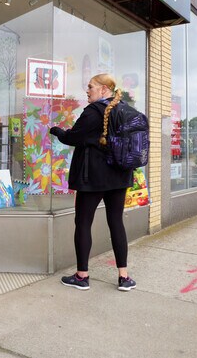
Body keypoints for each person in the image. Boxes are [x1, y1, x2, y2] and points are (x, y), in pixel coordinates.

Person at [49, 73, 136, 292]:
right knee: (116, 222)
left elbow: (72, 138)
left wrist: (57, 130)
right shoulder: (124, 110)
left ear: (104, 89)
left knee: (83, 222)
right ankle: (124, 277)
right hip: (120, 176)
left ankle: (82, 276)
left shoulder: (93, 112)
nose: (87, 90)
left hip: (93, 178)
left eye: (90, 87)